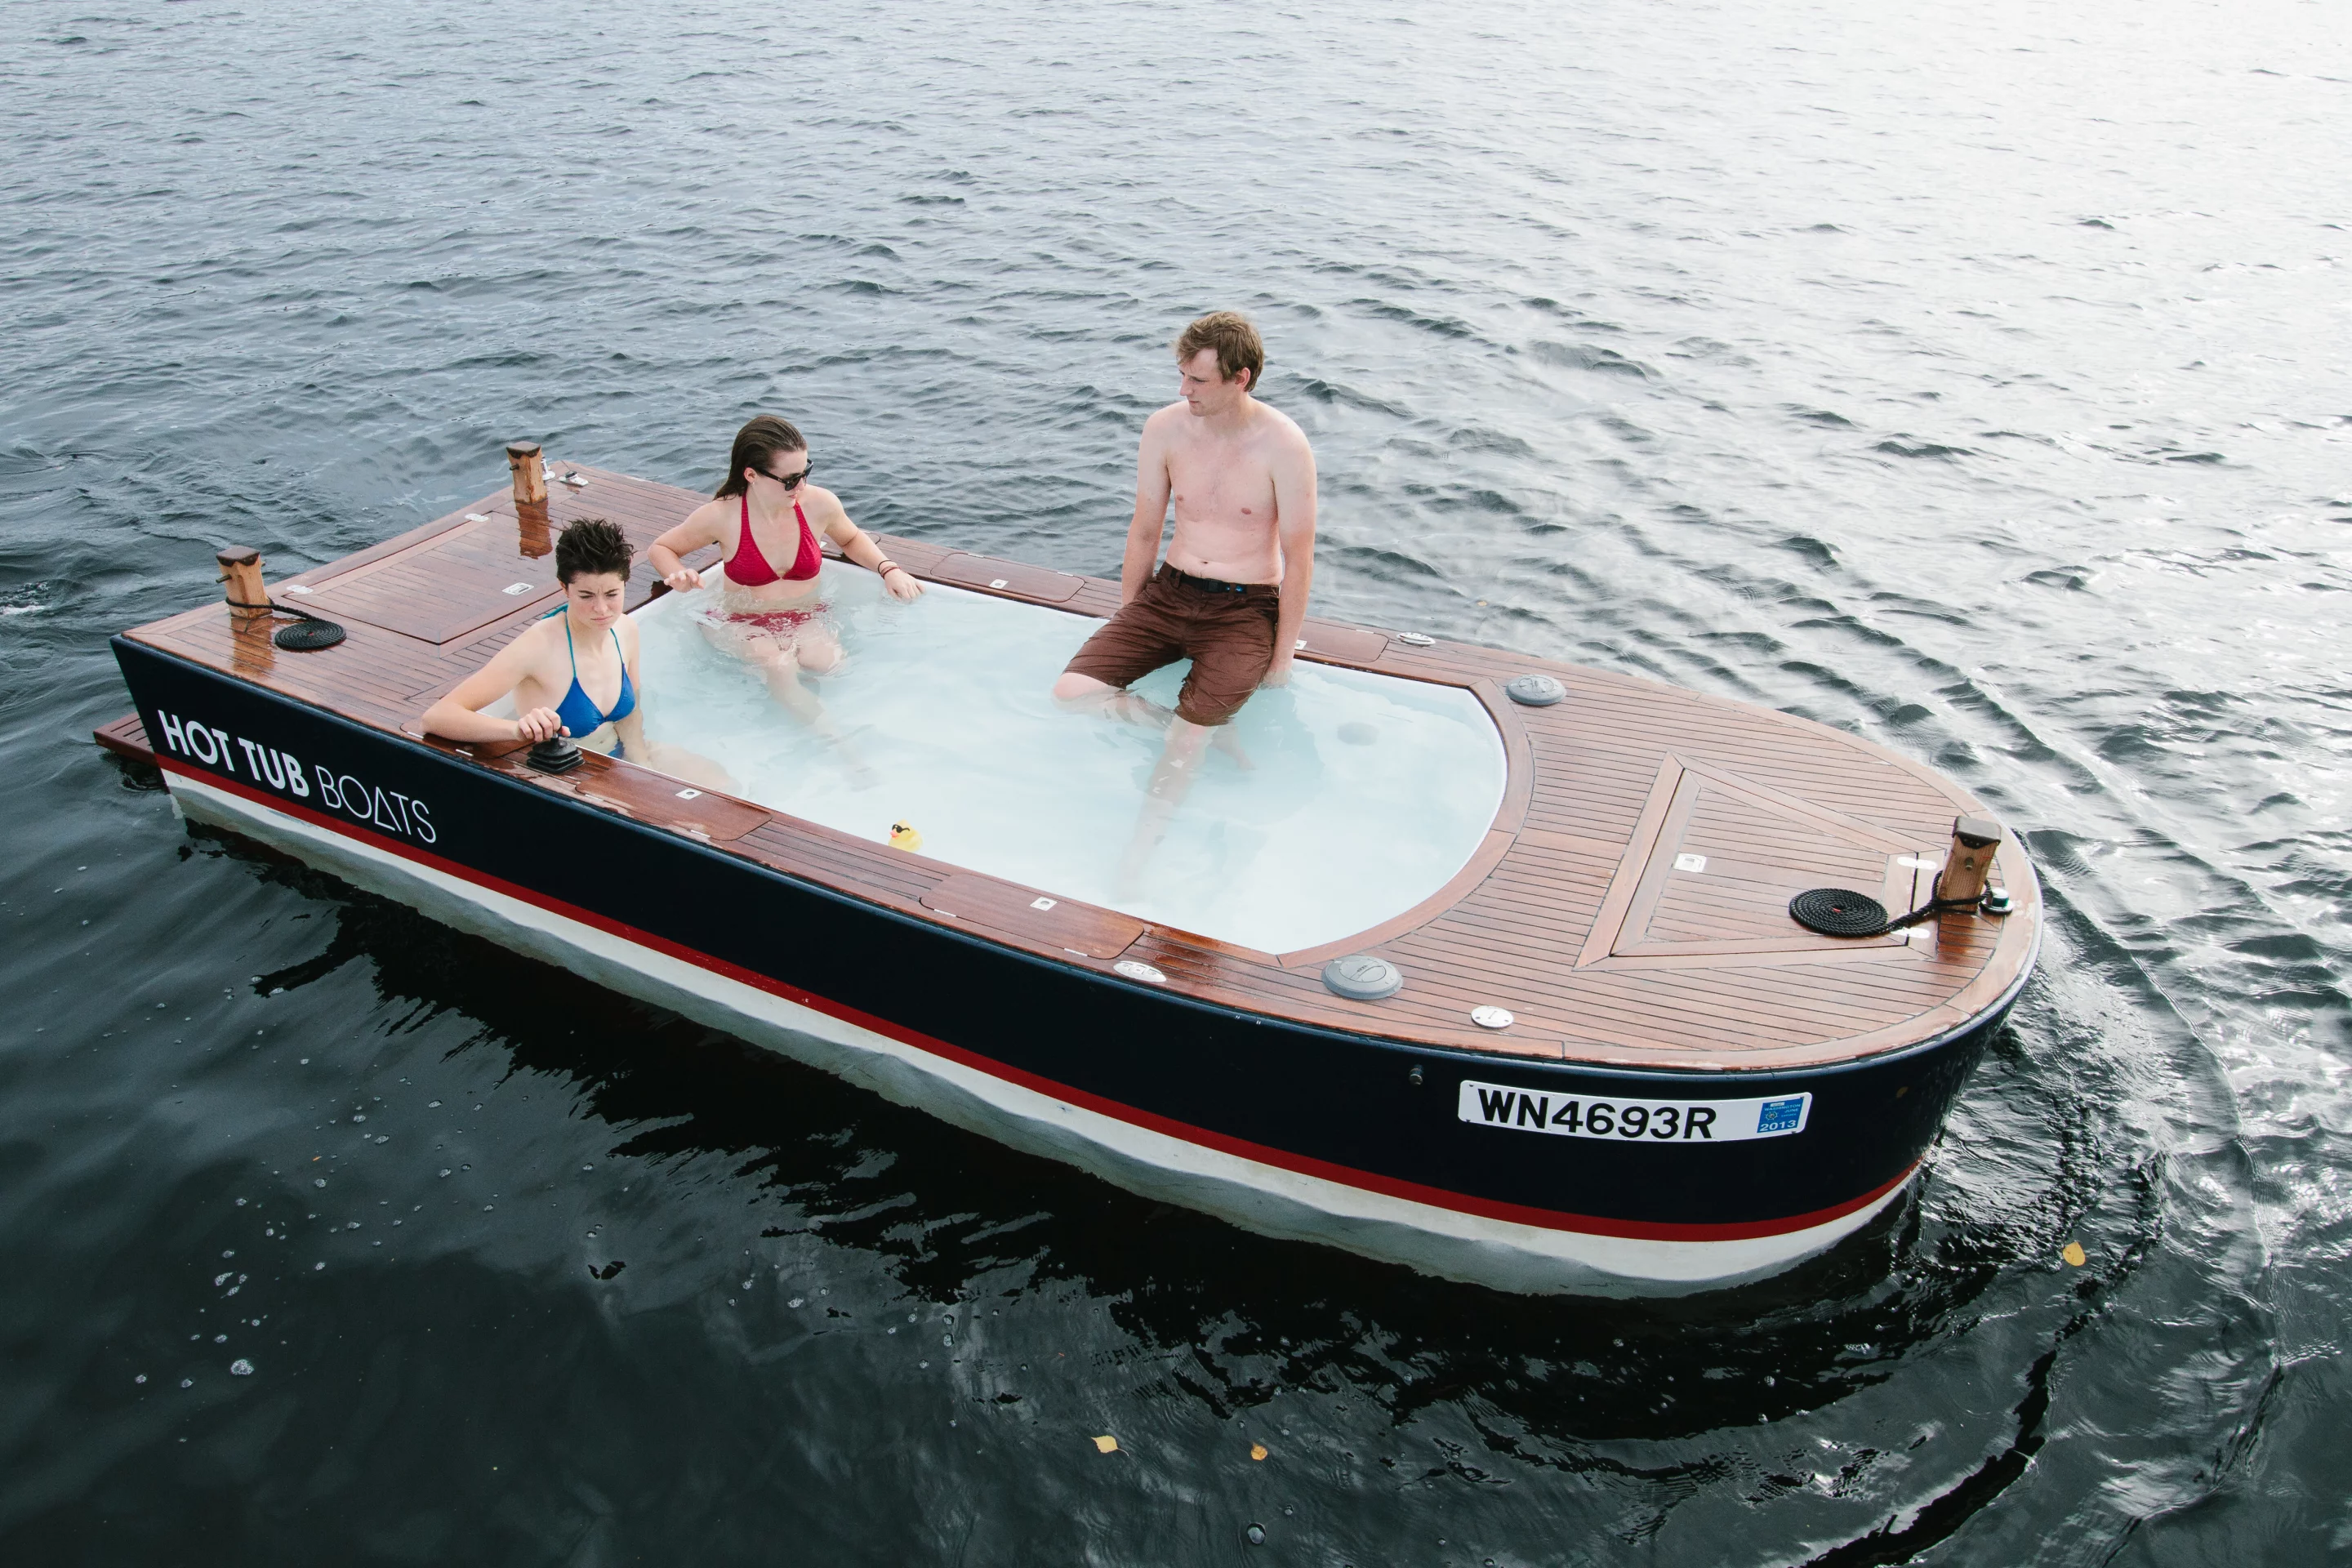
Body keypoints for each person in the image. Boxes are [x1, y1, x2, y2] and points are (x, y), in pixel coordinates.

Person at [1051, 310, 1318, 890]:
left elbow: (1299, 557)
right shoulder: (1165, 429)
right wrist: (1130, 610)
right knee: (1070, 693)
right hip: (1169, 593)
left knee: (1183, 746)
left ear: (1240, 377)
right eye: (1181, 376)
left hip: (1246, 609)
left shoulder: (1284, 444)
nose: (1183, 391)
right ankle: (1196, 724)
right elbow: (1145, 528)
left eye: (1197, 381)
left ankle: (1138, 857)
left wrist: (1282, 657)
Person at [646, 415, 920, 729]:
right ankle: (837, 744)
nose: (801, 486)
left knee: (831, 666)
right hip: (740, 621)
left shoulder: (819, 504)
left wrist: (889, 570)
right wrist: (677, 574)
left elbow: (851, 538)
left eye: (805, 473)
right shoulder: (722, 516)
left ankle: (813, 720)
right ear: (751, 475)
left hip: (804, 615)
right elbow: (662, 548)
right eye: (790, 479)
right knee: (778, 665)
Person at [421, 518, 730, 790]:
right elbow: (438, 717)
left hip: (620, 755)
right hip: (569, 773)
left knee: (721, 784)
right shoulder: (537, 646)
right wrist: (517, 731)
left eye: (612, 594)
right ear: (563, 588)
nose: (601, 609)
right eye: (586, 596)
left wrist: (641, 762)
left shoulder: (625, 630)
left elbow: (631, 711)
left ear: (624, 583)